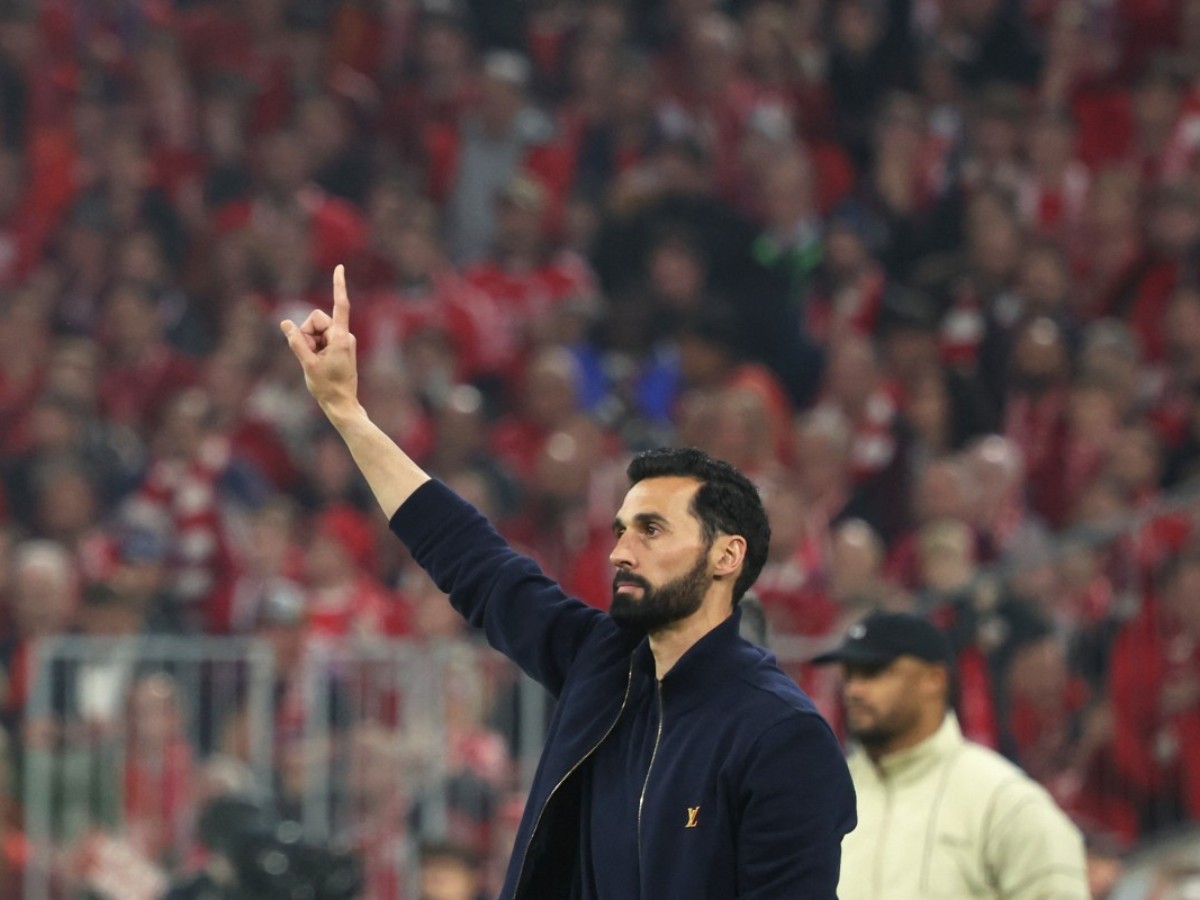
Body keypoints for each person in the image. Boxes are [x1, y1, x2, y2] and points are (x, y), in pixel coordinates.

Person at [280, 266, 856, 898]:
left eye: (652, 530)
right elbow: (471, 556)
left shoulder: (781, 734)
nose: (620, 552)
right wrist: (347, 413)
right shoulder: (600, 662)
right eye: (620, 529)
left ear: (727, 557)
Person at [813, 610, 1090, 900]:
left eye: (875, 672)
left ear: (934, 679)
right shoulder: (825, 800)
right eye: (849, 675)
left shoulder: (1004, 800)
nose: (854, 690)